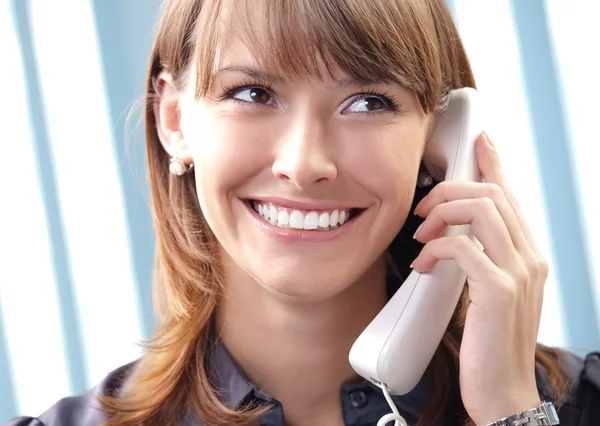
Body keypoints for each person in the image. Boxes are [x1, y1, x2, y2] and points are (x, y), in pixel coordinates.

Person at [7, 0, 600, 425]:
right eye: (252, 94)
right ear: (173, 121)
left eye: (367, 102)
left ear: (440, 139)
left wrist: (511, 414)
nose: (305, 163)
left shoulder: (577, 403)